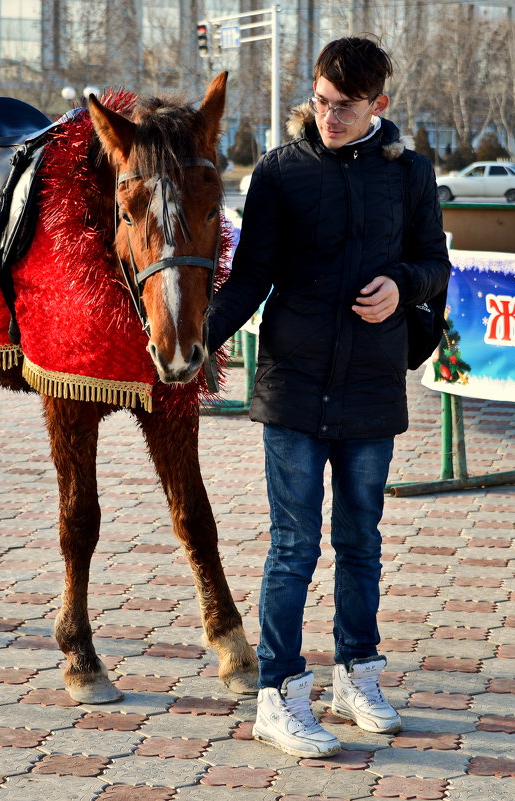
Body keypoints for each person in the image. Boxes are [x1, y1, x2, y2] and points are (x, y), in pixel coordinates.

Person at [207, 36, 450, 758]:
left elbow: (435, 262)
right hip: (293, 385)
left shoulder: (410, 173)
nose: (328, 117)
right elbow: (249, 277)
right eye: (319, 101)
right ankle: (277, 694)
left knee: (362, 542)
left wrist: (402, 286)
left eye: (344, 107)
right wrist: (201, 341)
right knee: (293, 546)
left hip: (373, 384)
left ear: (380, 104)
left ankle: (357, 674)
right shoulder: (280, 171)